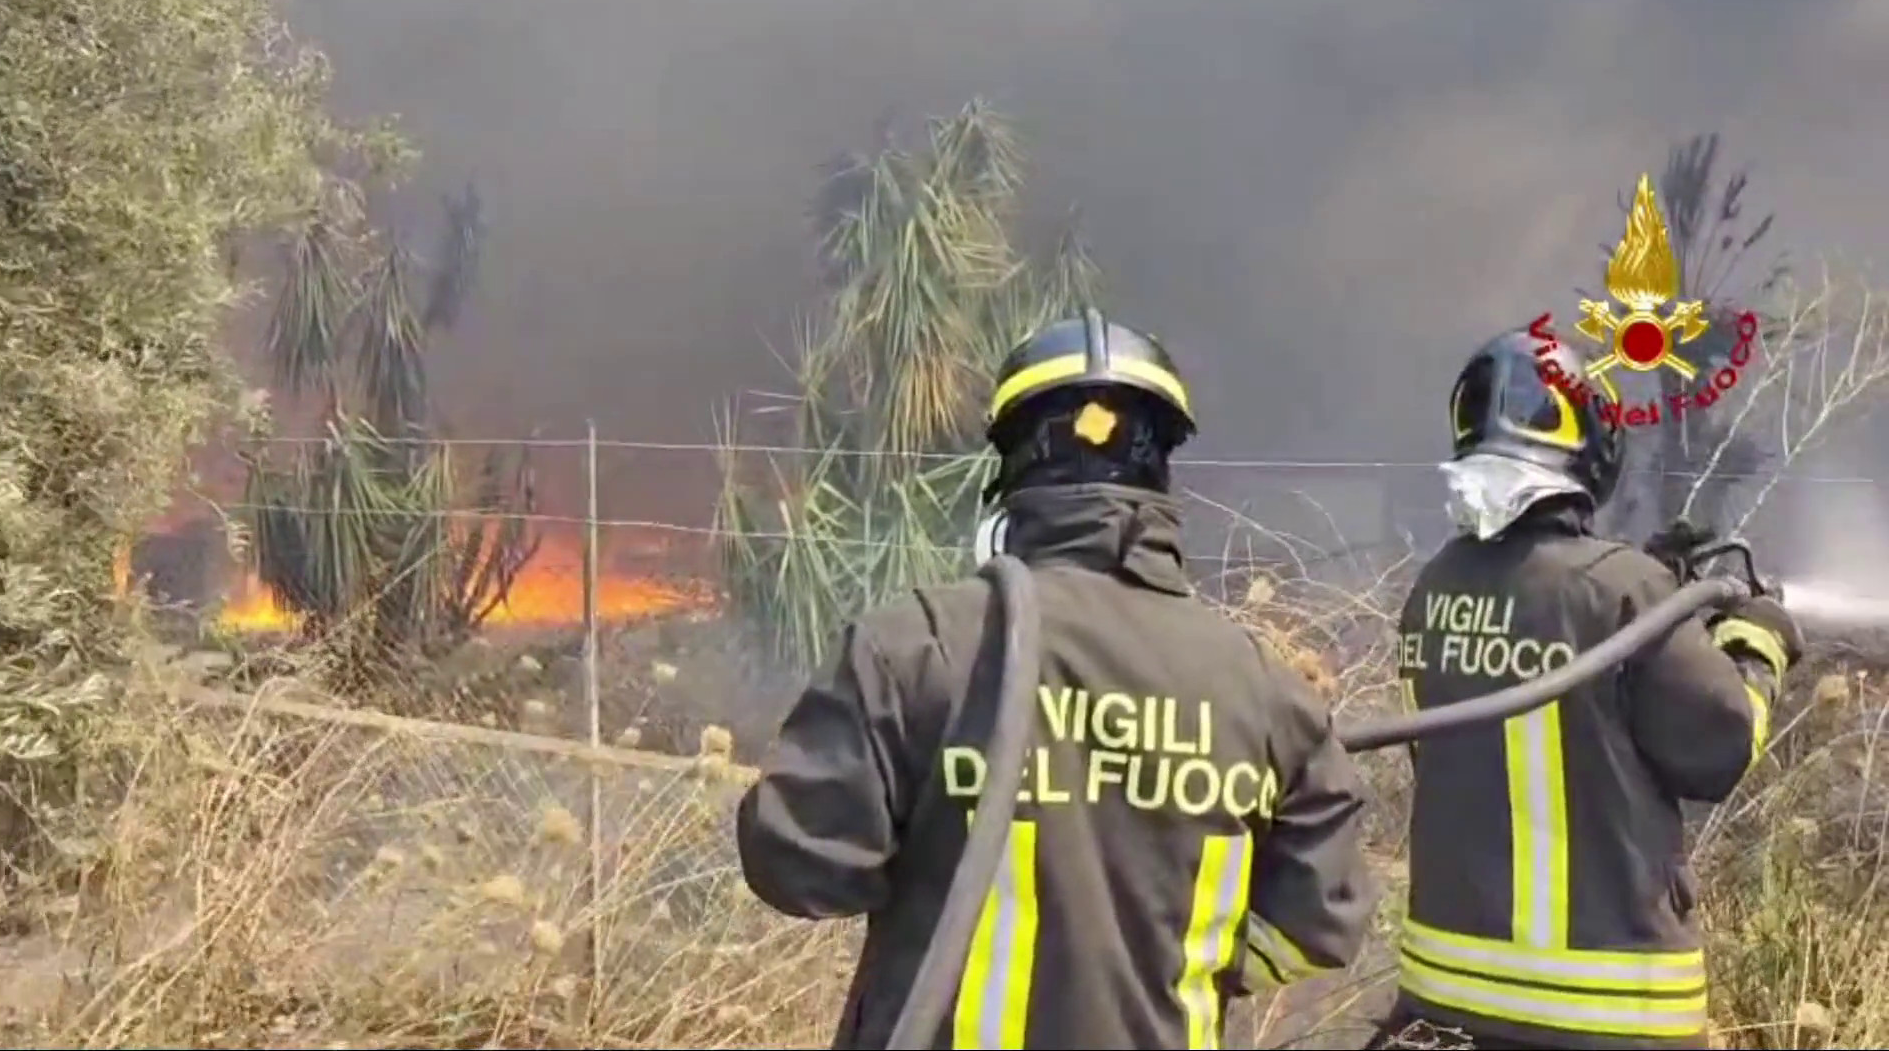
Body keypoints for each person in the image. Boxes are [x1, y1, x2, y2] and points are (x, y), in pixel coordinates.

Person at [736, 310, 1376, 1050]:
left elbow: (800, 870)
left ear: (1007, 468)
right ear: (1164, 470)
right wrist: (1173, 965)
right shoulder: (1266, 692)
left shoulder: (912, 648)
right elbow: (1322, 922)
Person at [1368, 327, 1804, 1051]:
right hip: (1607, 1012)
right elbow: (1718, 749)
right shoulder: (1618, 591)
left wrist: (1663, 592)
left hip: (1444, 1002)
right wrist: (1757, 640)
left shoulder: (1434, 586)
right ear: (1591, 444)